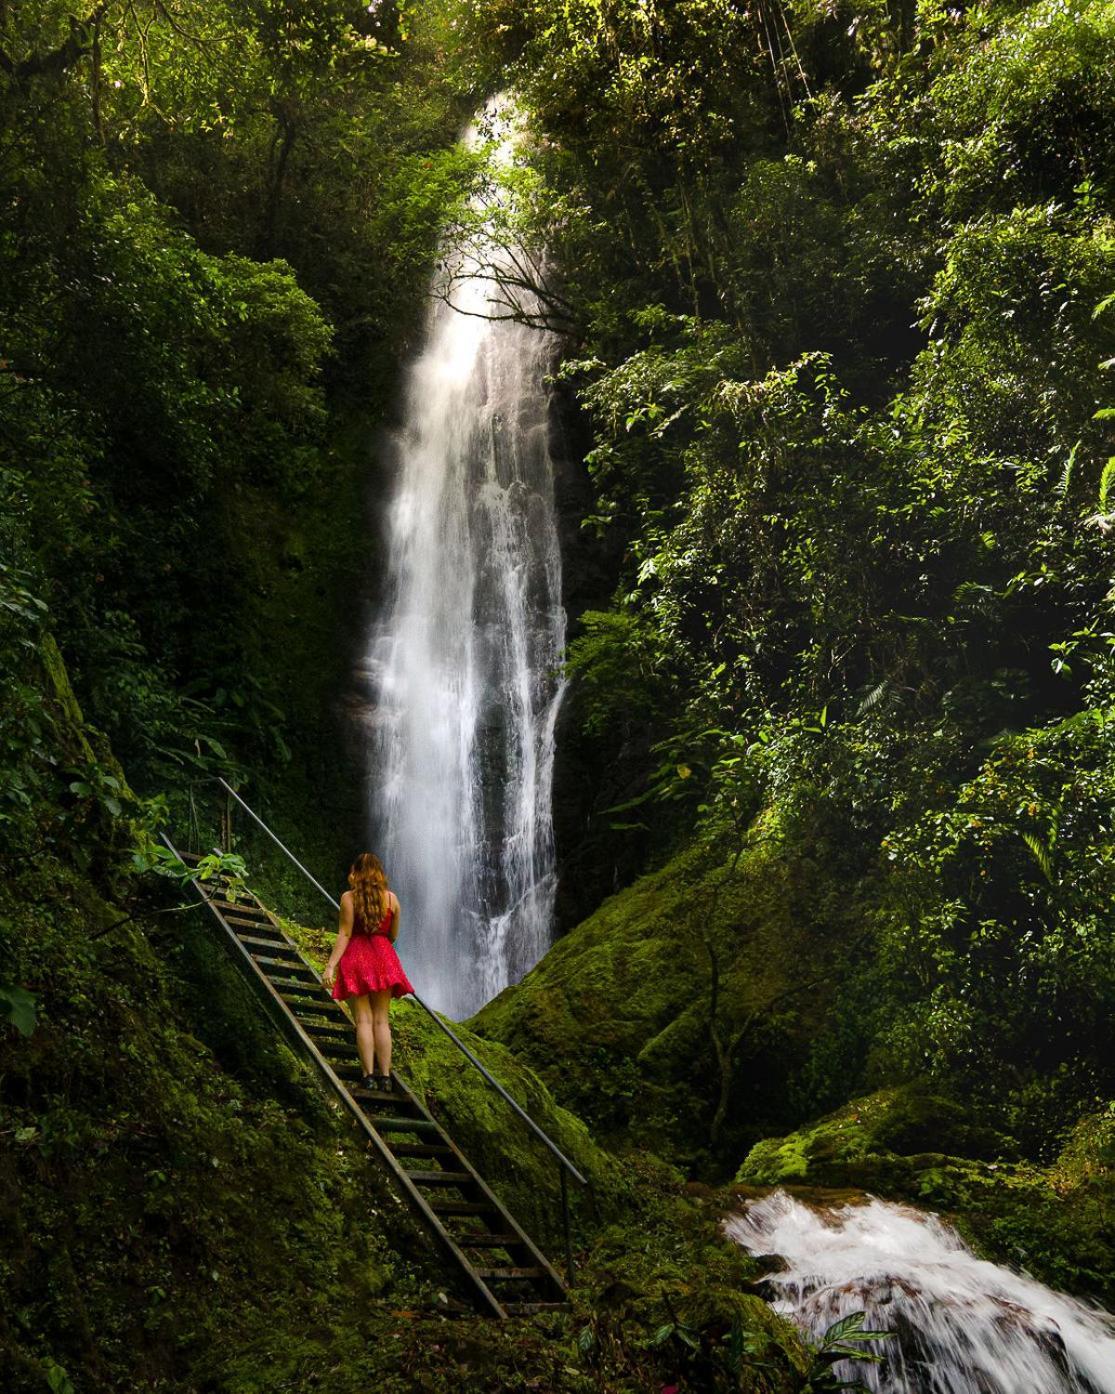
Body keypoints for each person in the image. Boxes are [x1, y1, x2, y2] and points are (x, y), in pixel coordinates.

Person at [323, 852, 414, 1091]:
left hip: (356, 957)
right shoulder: (392, 899)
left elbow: (345, 934)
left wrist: (331, 965)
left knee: (363, 1020)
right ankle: (385, 1077)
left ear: (357, 873)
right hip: (384, 956)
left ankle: (368, 1076)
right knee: (381, 1021)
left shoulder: (348, 898)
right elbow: (393, 935)